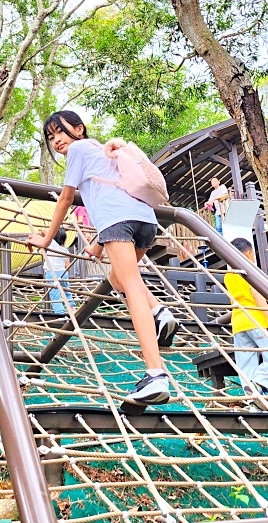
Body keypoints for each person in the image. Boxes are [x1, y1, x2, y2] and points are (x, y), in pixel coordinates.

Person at [27, 110, 179, 406]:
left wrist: (46, 238)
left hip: (118, 222)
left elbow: (66, 198)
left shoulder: (80, 150)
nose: (56, 139)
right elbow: (110, 195)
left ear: (78, 129)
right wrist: (97, 246)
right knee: (120, 277)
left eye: (60, 131)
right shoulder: (104, 151)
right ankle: (160, 313)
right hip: (145, 221)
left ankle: (155, 375)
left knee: (131, 284)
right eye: (50, 136)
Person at [224, 237, 268, 397]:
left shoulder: (228, 275)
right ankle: (259, 383)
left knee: (246, 362)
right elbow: (256, 293)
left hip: (238, 322)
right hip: (255, 318)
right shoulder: (248, 270)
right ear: (248, 253)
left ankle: (253, 398)